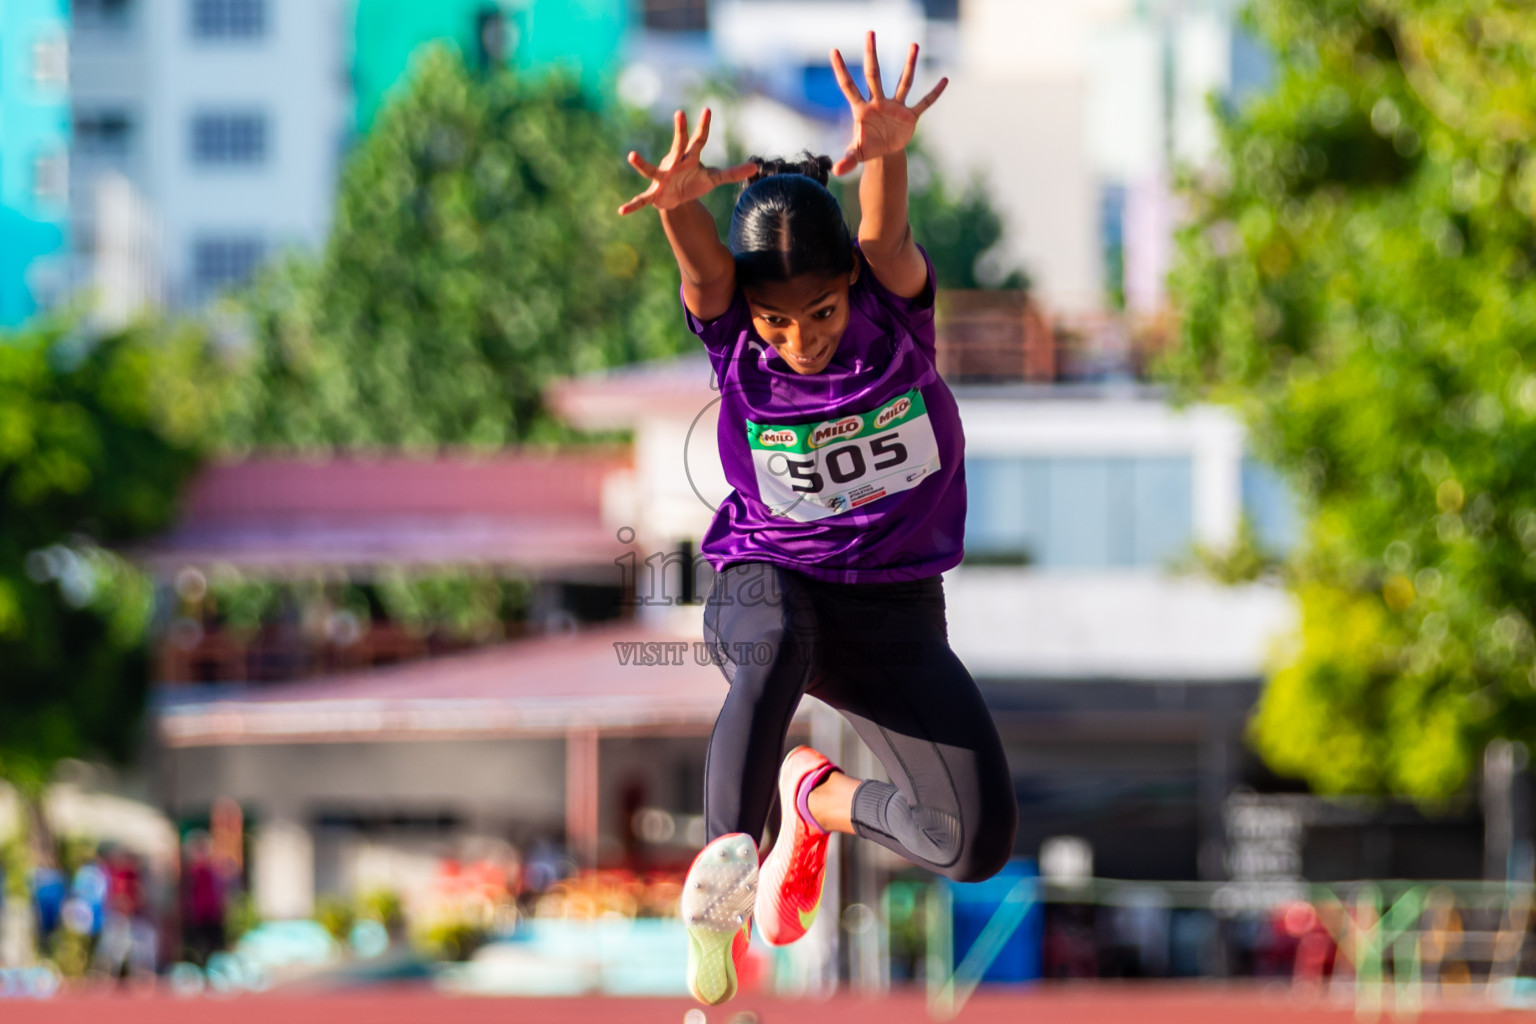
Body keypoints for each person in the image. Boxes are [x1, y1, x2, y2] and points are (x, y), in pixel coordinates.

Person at [618, 31, 1018, 1005]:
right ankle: (727, 868)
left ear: (851, 289)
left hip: (891, 612)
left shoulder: (893, 306)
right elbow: (710, 271)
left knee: (972, 841)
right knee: (776, 640)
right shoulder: (733, 334)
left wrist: (886, 148)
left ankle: (812, 798)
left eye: (823, 313)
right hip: (768, 585)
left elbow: (882, 230)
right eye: (778, 322)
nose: (801, 338)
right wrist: (681, 211)